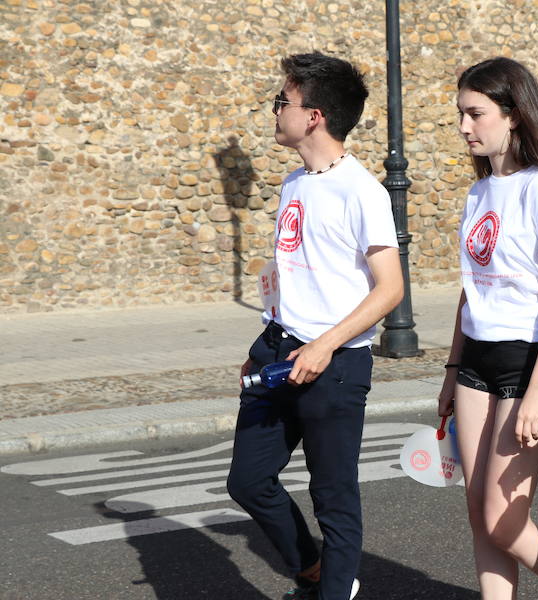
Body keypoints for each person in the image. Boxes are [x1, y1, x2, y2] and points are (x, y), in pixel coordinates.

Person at [226, 52, 403, 600]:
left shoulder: (362, 190)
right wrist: (263, 345)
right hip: (280, 352)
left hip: (336, 364)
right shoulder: (294, 183)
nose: (275, 110)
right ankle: (309, 565)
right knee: (248, 481)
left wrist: (326, 345)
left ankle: (337, 588)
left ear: (314, 116)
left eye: (284, 101)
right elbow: (289, 272)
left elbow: (391, 288)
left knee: (334, 499)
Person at [437, 57, 538, 600]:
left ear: (513, 115)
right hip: (477, 358)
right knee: (481, 516)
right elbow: (472, 288)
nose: (464, 127)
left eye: (475, 114)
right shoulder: (478, 193)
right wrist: (452, 368)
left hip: (532, 361)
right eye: (460, 114)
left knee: (505, 520)